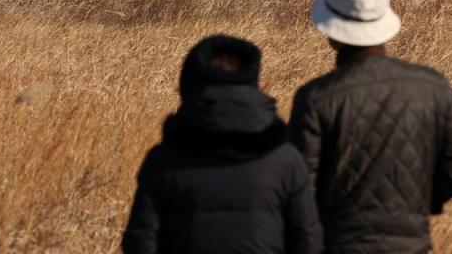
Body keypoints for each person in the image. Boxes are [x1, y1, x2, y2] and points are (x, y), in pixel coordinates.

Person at [289, 0, 452, 254]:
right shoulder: (433, 87)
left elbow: (300, 185)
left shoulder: (316, 97)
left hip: (340, 243)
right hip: (412, 243)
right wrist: (417, 205)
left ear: (333, 33)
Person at [122, 35, 323, 254]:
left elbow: (140, 241)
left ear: (188, 85)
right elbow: (308, 241)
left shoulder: (163, 160)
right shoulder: (286, 160)